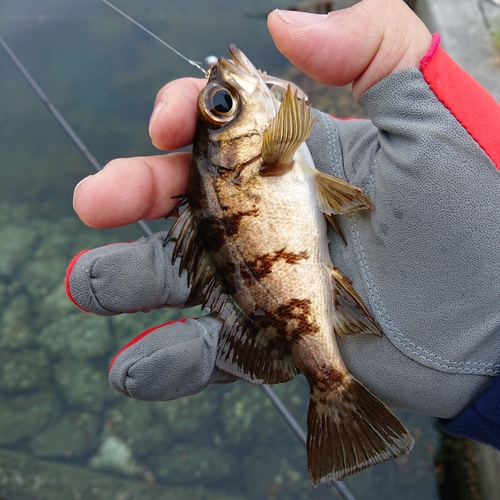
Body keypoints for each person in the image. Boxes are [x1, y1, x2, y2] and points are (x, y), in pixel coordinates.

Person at [66, 0, 500, 448]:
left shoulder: (274, 152)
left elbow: (292, 131)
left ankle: (335, 397)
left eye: (220, 104)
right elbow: (291, 125)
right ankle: (333, 390)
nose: (225, 95)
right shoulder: (275, 149)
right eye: (223, 105)